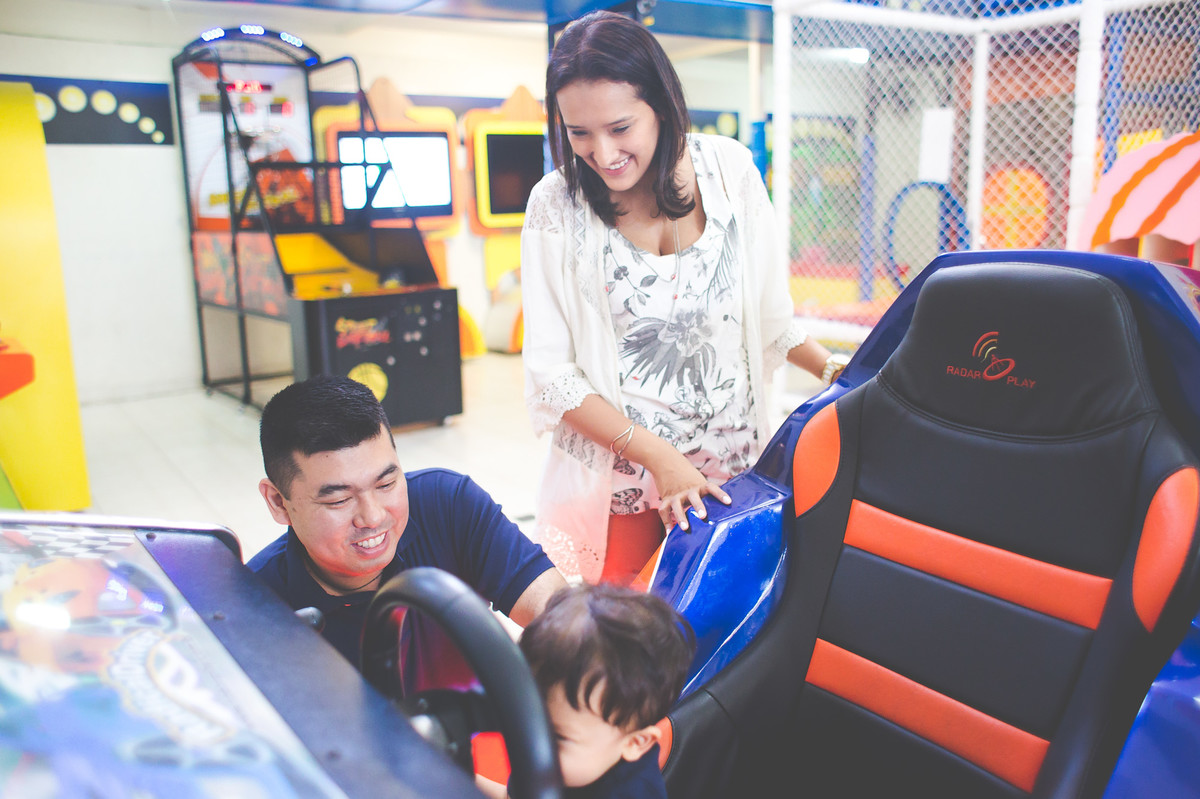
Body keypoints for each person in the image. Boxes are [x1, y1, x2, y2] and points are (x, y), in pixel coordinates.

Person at [521, 10, 847, 585]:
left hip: (731, 469)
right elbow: (554, 377)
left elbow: (770, 320)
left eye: (620, 128)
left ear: (663, 108)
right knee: (632, 645)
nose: (602, 152)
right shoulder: (556, 203)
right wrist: (660, 458)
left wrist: (833, 369)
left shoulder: (730, 172)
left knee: (727, 633)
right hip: (623, 481)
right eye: (579, 133)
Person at [247, 375, 567, 666]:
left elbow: (561, 615)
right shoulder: (254, 604)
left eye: (386, 484)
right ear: (279, 502)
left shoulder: (447, 505)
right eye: (338, 500)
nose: (373, 516)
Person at [478, 583, 696, 798]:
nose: (525, 741)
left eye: (557, 737)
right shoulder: (560, 756)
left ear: (634, 743)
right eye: (524, 719)